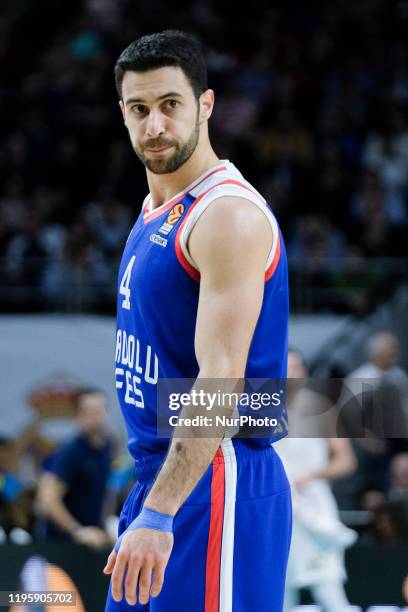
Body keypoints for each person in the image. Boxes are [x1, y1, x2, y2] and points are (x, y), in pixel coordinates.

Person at [104, 30, 291, 611]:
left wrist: (160, 513)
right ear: (123, 114)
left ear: (205, 106)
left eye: (170, 105)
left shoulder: (225, 216)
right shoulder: (155, 208)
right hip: (165, 475)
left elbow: (221, 383)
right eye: (139, 110)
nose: (154, 126)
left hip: (219, 475)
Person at [276, 349, 357, 612]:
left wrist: (310, 476)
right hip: (280, 511)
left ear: (305, 373)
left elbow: (345, 461)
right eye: (285, 368)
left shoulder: (321, 409)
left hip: (315, 510)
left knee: (329, 593)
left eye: (296, 368)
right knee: (280, 594)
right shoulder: (259, 409)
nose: (290, 374)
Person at [35, 388, 114, 548]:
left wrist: (106, 527)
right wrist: (77, 530)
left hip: (92, 545)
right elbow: (47, 499)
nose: (98, 416)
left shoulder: (106, 451)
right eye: (91, 411)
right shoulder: (70, 451)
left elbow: (104, 495)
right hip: (62, 546)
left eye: (101, 409)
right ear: (78, 416)